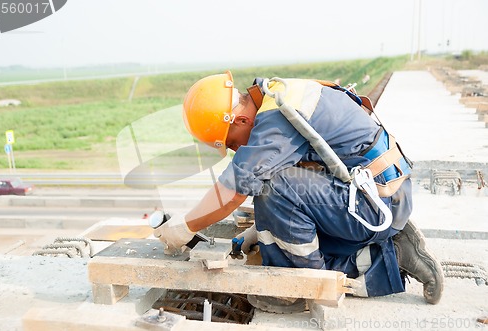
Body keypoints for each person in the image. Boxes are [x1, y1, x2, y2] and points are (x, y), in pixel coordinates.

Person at [153, 71, 444, 312]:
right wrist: (260, 228)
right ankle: (395, 247)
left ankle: (299, 285)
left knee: (273, 188)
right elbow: (307, 170)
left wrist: (186, 226)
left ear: (240, 121)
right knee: (273, 192)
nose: (234, 150)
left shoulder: (274, 119)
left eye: (230, 143)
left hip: (375, 204)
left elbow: (234, 189)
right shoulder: (278, 95)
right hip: (383, 194)